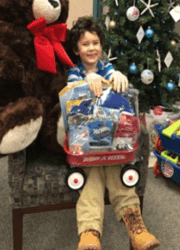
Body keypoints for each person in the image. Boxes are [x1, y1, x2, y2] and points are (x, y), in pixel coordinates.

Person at [63, 17, 158, 250]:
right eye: (85, 44)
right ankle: (89, 232)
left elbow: (118, 84)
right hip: (85, 143)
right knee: (92, 175)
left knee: (116, 168)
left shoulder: (106, 67)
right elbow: (71, 92)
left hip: (111, 140)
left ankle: (135, 225)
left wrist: (118, 77)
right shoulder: (73, 71)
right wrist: (87, 79)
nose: (92, 48)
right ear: (76, 49)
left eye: (95, 43)